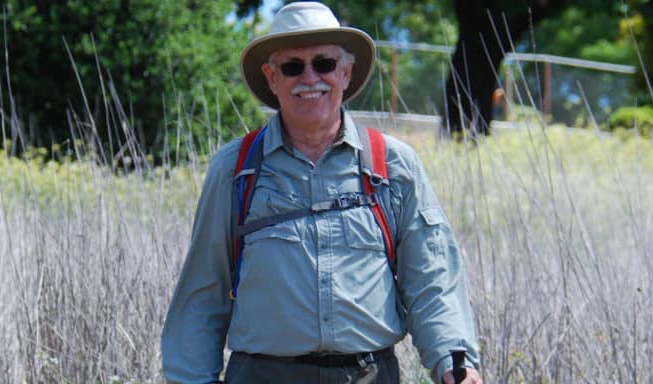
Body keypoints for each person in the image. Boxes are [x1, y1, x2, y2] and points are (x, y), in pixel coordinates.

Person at [161, 3, 482, 384]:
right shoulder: (235, 169)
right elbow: (203, 294)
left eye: (324, 64)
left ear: (346, 73)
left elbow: (432, 278)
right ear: (272, 77)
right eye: (293, 67)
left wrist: (451, 359)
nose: (309, 78)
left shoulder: (393, 165)